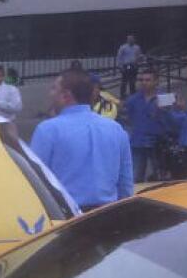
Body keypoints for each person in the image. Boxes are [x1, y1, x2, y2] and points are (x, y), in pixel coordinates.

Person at [29, 68, 132, 211]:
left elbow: (34, 179)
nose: (50, 94)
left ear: (66, 95)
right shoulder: (116, 129)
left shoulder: (48, 130)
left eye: (54, 89)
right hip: (108, 212)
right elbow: (125, 183)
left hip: (66, 214)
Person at [120, 67, 168, 182]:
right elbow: (127, 118)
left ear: (156, 81)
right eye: (141, 80)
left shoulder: (165, 98)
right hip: (138, 142)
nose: (144, 83)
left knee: (160, 177)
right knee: (136, 176)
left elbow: (171, 118)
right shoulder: (132, 100)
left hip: (158, 142)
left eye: (148, 80)